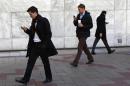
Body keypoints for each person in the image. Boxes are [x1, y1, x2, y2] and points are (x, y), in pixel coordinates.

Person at [15, 6, 58, 85]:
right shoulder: (33, 21)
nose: (30, 15)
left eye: (30, 14)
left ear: (35, 12)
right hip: (34, 46)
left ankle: (49, 78)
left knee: (45, 63)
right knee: (30, 63)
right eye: (29, 14)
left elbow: (49, 34)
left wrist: (44, 44)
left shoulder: (44, 20)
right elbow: (32, 34)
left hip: (42, 46)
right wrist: (26, 30)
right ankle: (25, 80)